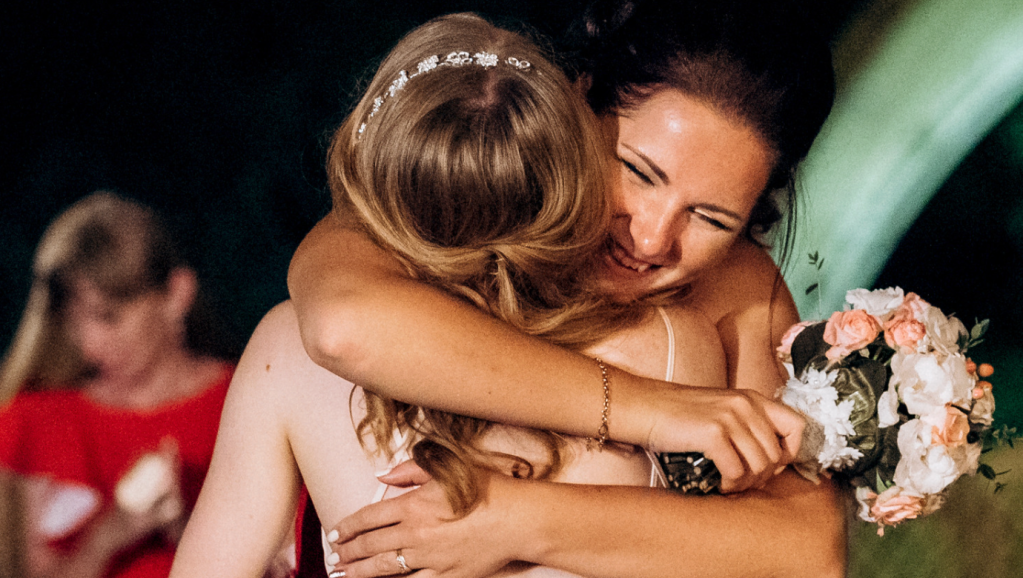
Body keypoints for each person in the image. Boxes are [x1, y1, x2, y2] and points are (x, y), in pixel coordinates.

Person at [169, 12, 750, 578]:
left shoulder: (289, 355)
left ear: (370, 178)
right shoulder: (670, 349)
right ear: (571, 180)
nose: (651, 238)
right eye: (637, 173)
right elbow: (741, 551)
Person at [286, 0, 846, 576]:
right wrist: (657, 411)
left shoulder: (736, 288)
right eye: (638, 172)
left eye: (711, 218)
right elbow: (341, 326)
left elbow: (809, 551)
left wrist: (513, 519)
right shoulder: (463, 185)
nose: (652, 239)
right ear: (577, 99)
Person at [0, 192, 240, 578]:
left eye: (108, 317)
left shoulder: (246, 400)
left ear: (176, 294)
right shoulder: (37, 421)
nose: (90, 343)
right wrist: (110, 535)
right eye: (75, 322)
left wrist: (188, 528)